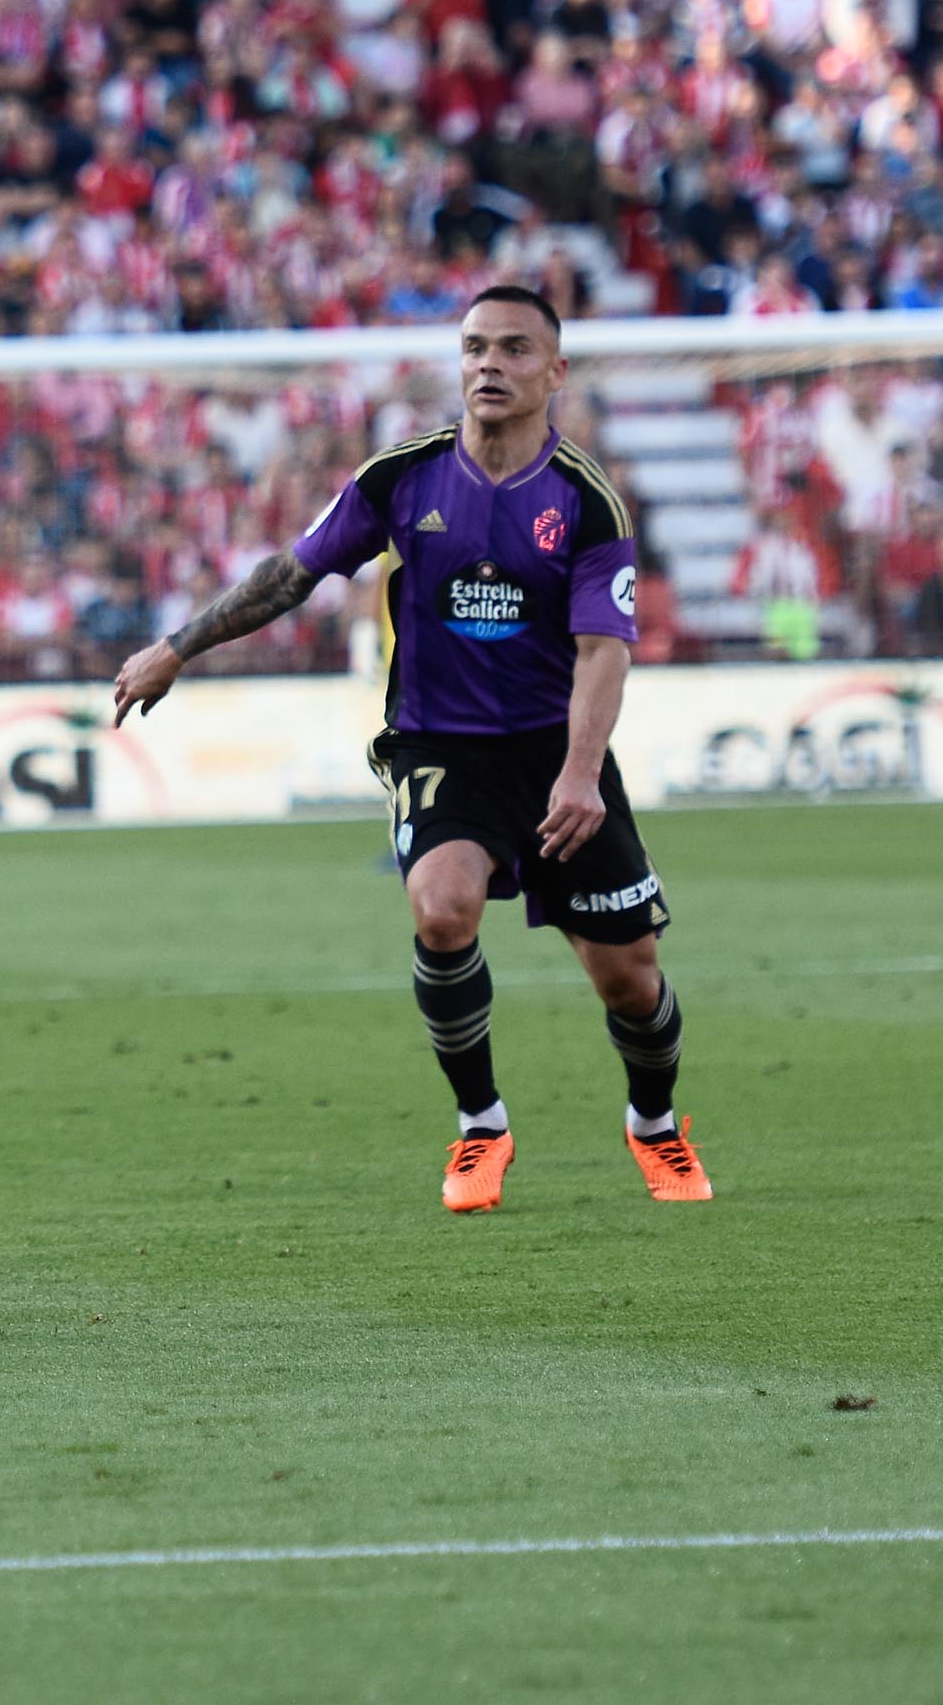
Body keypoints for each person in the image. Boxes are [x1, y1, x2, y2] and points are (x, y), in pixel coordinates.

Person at [109, 285, 710, 1213]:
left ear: (554, 372)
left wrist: (583, 771)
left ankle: (656, 1124)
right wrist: (177, 647)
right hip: (440, 743)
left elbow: (604, 650)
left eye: (514, 350)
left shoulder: (587, 502)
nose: (489, 366)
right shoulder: (401, 477)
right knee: (441, 908)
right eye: (474, 347)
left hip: (557, 753)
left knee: (629, 979)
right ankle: (481, 1126)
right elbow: (292, 572)